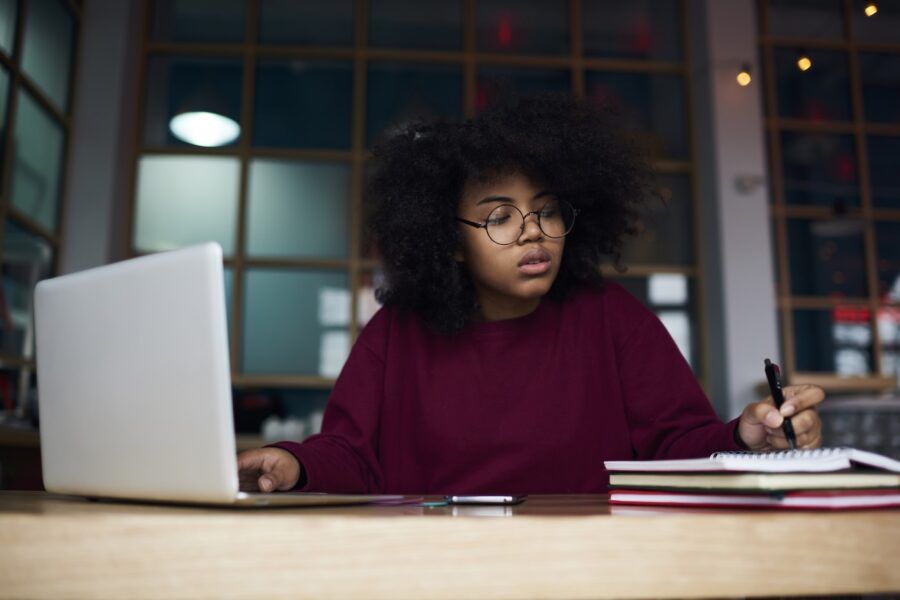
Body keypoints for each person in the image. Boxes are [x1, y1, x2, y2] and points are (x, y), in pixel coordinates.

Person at [236, 93, 824, 495]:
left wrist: (745, 436)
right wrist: (296, 464)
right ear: (450, 242)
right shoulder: (397, 332)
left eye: (545, 211)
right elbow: (350, 454)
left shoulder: (612, 317)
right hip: (430, 570)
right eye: (499, 218)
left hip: (591, 569)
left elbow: (675, 446)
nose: (533, 231)